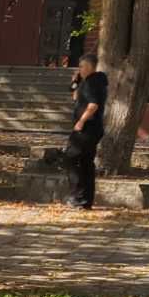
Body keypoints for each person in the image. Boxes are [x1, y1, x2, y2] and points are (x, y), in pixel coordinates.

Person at [63, 52, 108, 209]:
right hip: (93, 129)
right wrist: (76, 83)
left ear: (89, 66)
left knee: (71, 158)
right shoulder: (91, 82)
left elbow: (93, 105)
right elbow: (77, 99)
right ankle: (85, 201)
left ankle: (77, 197)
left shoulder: (92, 83)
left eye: (81, 66)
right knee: (86, 163)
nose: (79, 69)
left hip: (87, 128)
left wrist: (81, 122)